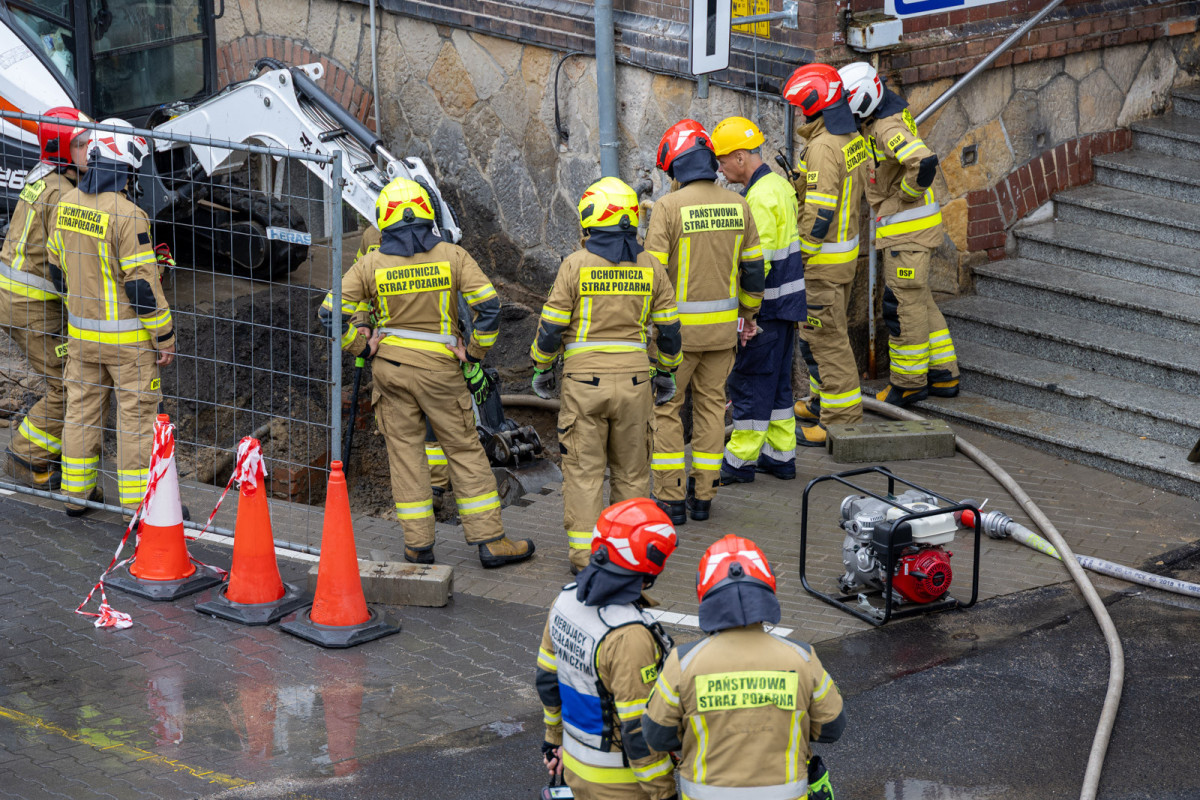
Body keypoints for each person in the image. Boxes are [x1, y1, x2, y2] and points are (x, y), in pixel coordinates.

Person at [331, 175, 533, 567]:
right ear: (428, 215)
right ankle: (490, 541)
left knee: (405, 455)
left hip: (390, 371)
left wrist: (361, 344)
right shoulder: (452, 256)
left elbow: (330, 311)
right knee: (464, 451)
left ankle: (417, 546)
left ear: (384, 221)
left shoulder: (371, 263)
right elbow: (488, 308)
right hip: (442, 370)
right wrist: (472, 354)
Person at [530, 177, 682, 573]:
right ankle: (629, 554)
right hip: (636, 384)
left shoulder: (575, 265)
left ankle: (585, 558)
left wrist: (542, 368)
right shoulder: (651, 266)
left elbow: (550, 328)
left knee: (583, 474)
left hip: (584, 386)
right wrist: (665, 373)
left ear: (591, 221)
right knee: (633, 474)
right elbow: (669, 330)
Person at [642, 534, 846, 800]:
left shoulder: (683, 662)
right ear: (767, 587)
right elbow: (831, 728)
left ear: (704, 592)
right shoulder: (802, 657)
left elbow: (657, 736)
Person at [48, 118, 176, 513]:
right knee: (135, 420)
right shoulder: (129, 215)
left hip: (82, 338)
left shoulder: (66, 204)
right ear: (123, 164)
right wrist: (165, 336)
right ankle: (141, 507)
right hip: (128, 345)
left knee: (81, 412)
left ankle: (75, 494)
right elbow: (140, 287)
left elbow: (56, 269)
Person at [644, 120, 764, 525]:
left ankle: (670, 498)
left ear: (677, 167)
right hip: (721, 335)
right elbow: (753, 271)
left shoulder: (667, 208)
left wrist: (647, 325)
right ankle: (704, 497)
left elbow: (653, 275)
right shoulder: (738, 205)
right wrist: (748, 315)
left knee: (667, 410)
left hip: (674, 338)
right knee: (713, 411)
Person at [536, 498, 679, 800]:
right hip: (621, 784)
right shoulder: (629, 635)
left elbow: (547, 680)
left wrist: (553, 739)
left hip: (575, 766)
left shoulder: (565, 600)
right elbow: (638, 731)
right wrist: (663, 793)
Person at [839, 61, 960, 406]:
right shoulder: (887, 112)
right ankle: (942, 373)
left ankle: (908, 383)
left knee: (901, 306)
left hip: (907, 234)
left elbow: (923, 162)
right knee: (919, 300)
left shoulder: (885, 127)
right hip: (916, 231)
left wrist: (902, 197)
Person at [711, 116, 805, 484]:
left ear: (739, 157)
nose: (719, 169)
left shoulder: (758, 198)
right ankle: (780, 457)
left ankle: (739, 461)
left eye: (722, 161)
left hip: (764, 310)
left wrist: (744, 316)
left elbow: (756, 266)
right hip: (786, 308)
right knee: (779, 385)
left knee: (749, 383)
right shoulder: (779, 187)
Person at [0, 107, 91, 489]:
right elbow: (63, 265)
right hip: (32, 309)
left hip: (16, 300)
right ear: (62, 151)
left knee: (66, 383)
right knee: (68, 387)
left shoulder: (43, 178)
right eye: (84, 144)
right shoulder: (64, 194)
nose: (92, 149)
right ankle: (25, 457)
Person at [782, 63, 870, 447]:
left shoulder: (821, 146)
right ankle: (821, 402)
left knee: (828, 342)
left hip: (821, 264)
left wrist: (801, 254)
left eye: (803, 107)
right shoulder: (850, 137)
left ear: (814, 106)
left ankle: (840, 421)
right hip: (844, 257)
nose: (800, 114)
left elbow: (820, 212)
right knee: (819, 337)